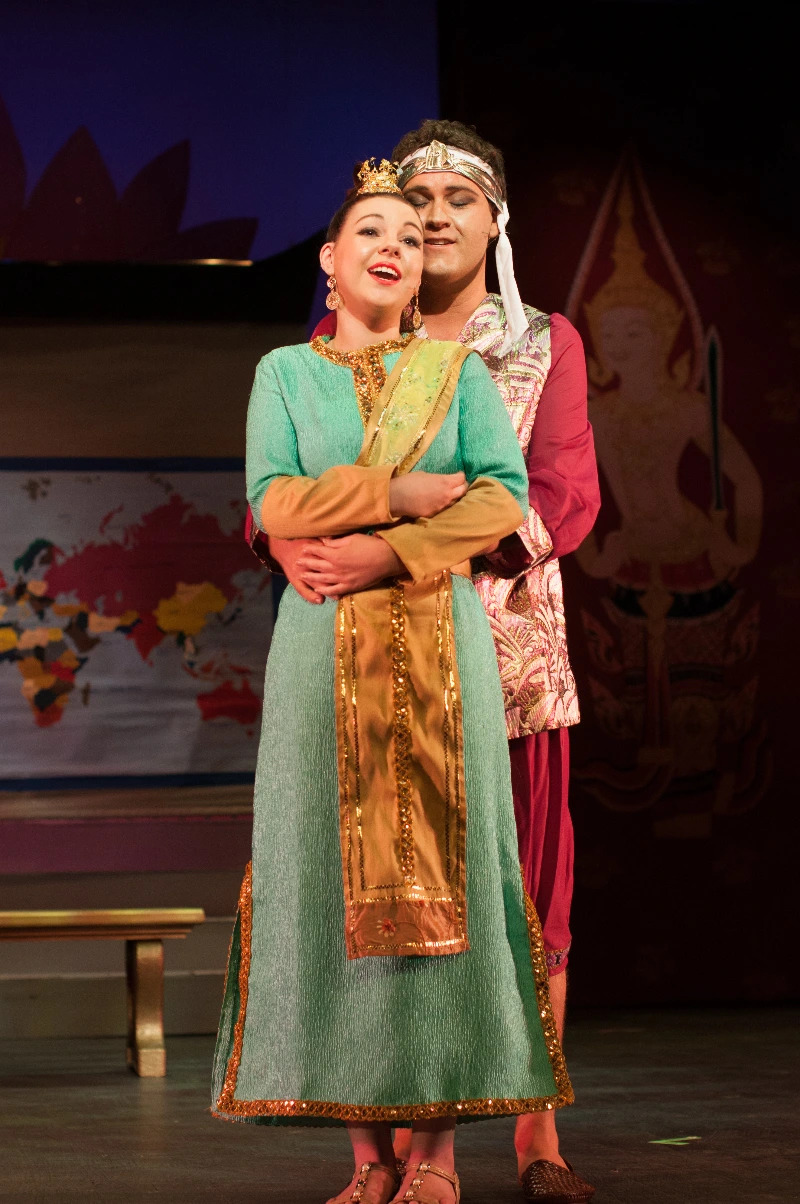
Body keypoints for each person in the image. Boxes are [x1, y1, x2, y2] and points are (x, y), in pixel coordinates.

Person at [213, 158, 572, 1204]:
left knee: (441, 877)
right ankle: (366, 1159)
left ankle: (435, 1158)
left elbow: (500, 500)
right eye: (373, 231)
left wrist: (388, 546)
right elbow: (274, 503)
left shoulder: (457, 375)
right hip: (320, 650)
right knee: (325, 873)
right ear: (329, 261)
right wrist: (403, 491)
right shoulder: (286, 373)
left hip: (437, 648)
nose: (395, 247)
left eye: (411, 239)